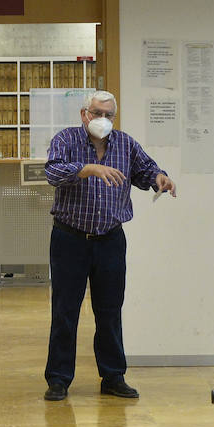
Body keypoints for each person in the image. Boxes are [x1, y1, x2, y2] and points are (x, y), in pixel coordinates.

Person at [42, 90, 175, 401]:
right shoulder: (66, 140)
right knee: (65, 310)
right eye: (97, 113)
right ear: (84, 114)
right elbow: (52, 172)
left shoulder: (125, 144)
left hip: (110, 240)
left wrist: (160, 178)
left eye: (108, 115)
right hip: (69, 238)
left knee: (110, 310)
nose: (102, 120)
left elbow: (145, 171)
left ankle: (113, 375)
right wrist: (87, 169)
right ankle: (59, 378)